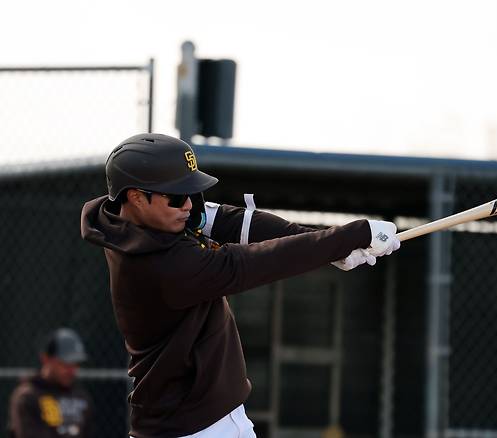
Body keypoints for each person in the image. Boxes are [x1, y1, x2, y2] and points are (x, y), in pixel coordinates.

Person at [80, 133, 400, 438]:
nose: (189, 206)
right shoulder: (161, 265)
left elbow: (231, 222)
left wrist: (330, 248)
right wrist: (350, 236)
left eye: (191, 193)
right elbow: (250, 263)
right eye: (177, 197)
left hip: (192, 420)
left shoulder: (131, 221)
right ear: (136, 197)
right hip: (195, 427)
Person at [8, 328, 93, 438]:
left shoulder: (82, 398)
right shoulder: (28, 397)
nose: (72, 370)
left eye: (75, 364)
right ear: (45, 359)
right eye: (65, 364)